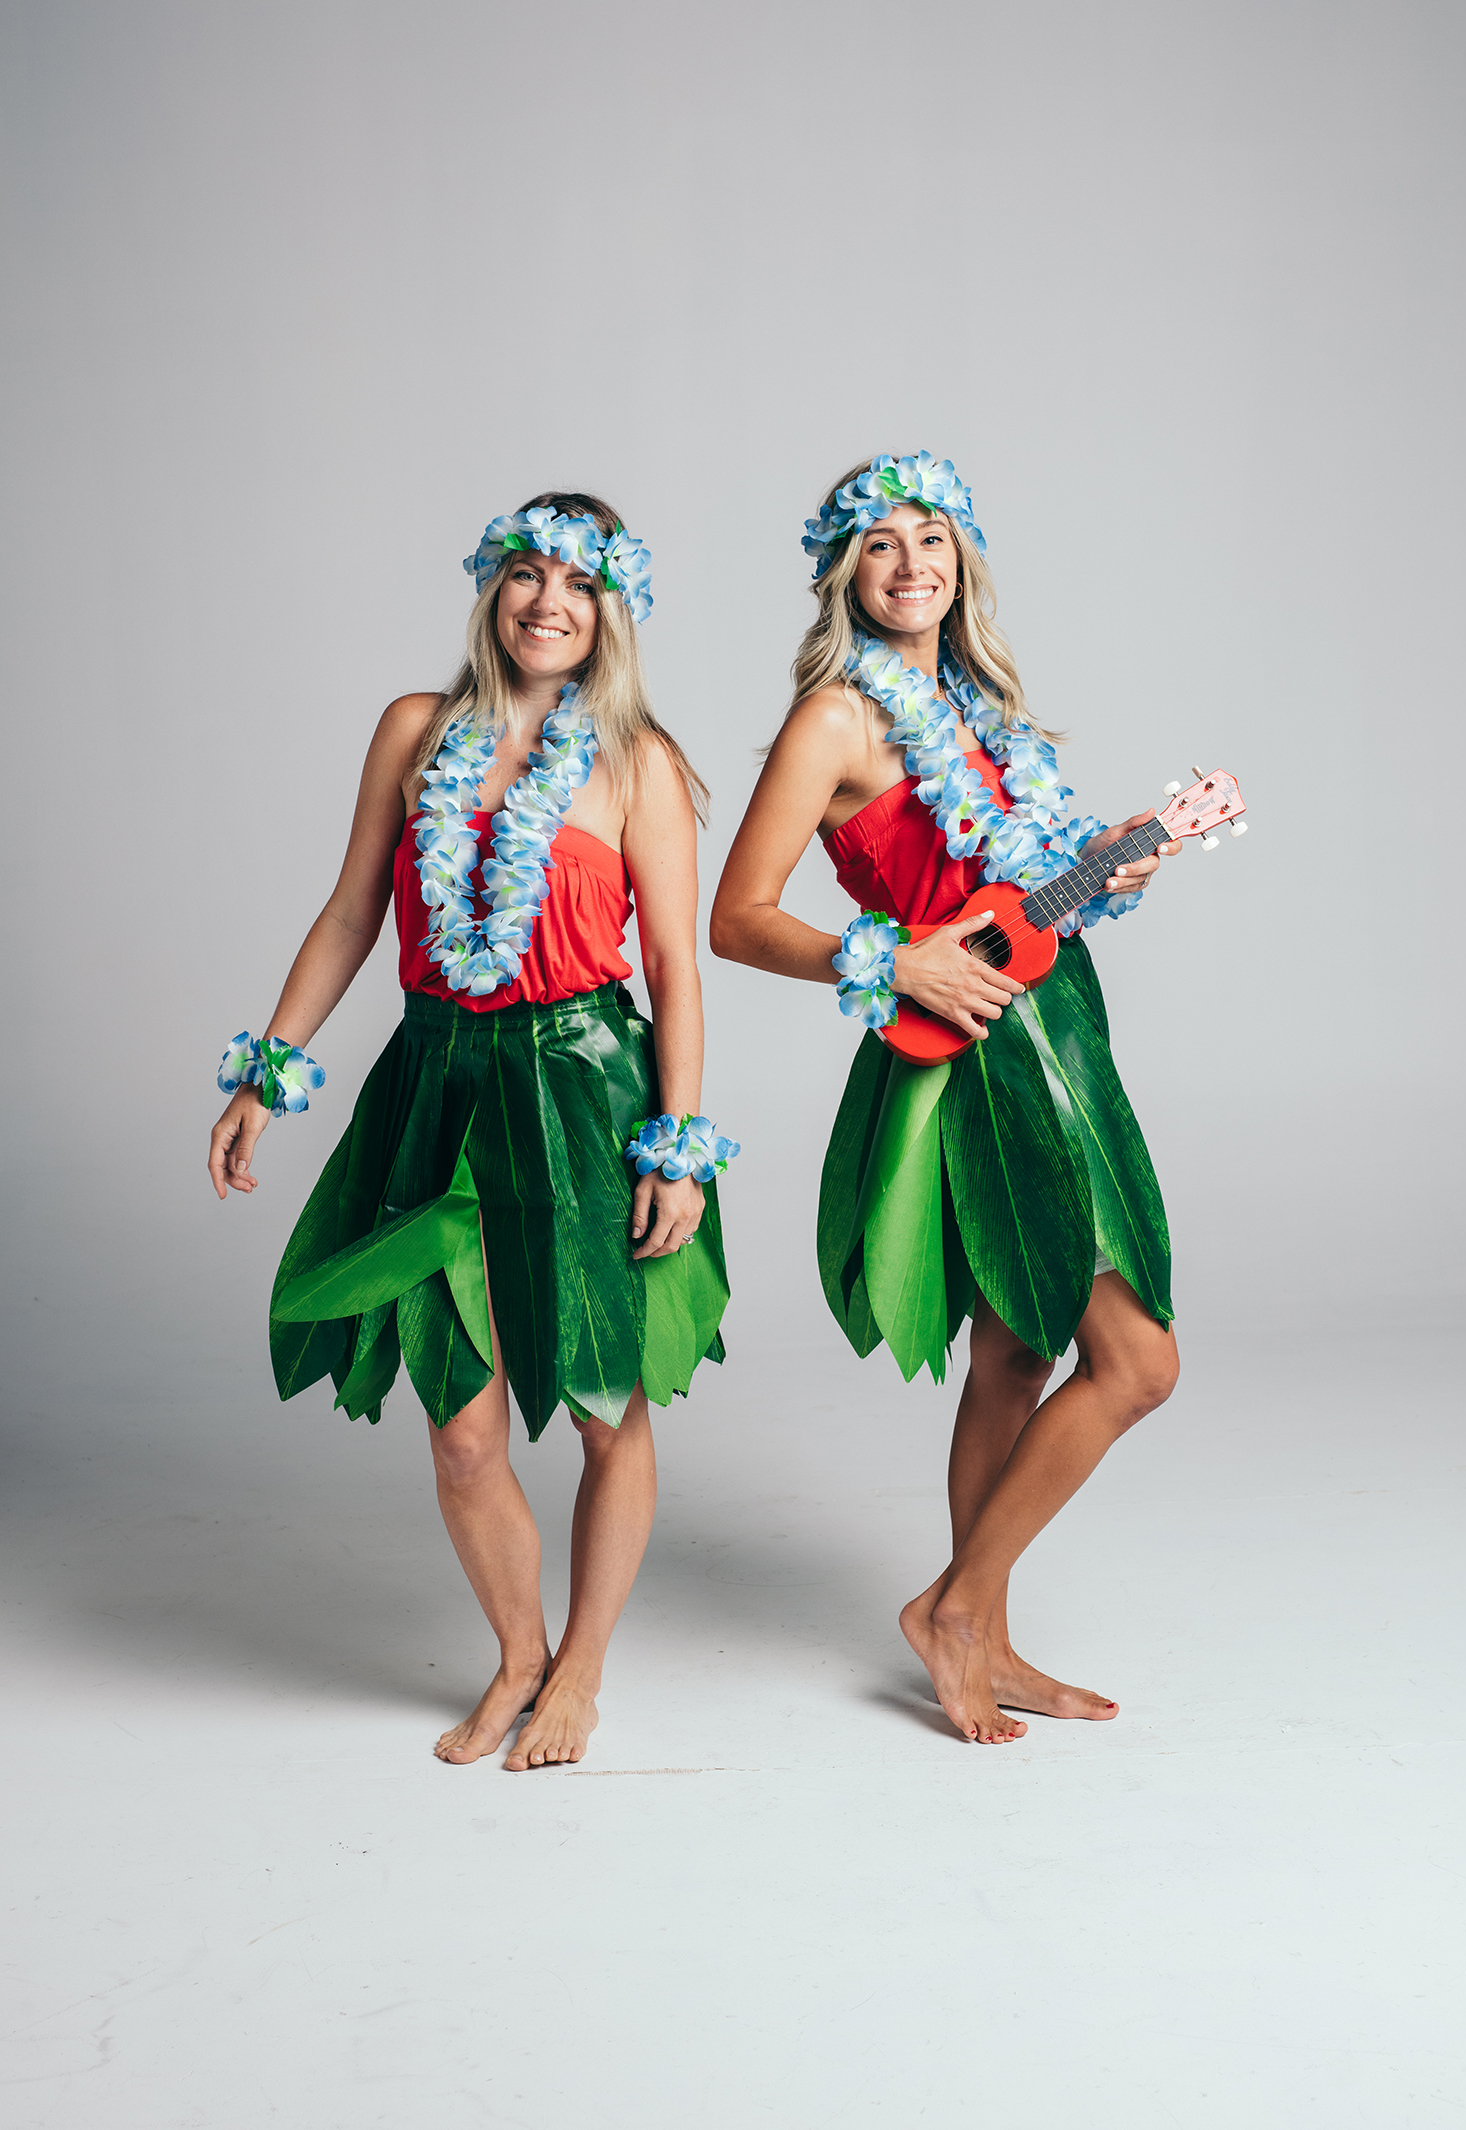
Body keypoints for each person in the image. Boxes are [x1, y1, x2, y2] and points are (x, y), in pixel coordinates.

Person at [208, 493, 737, 1770]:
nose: (547, 602)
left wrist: (678, 1141)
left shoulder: (637, 761)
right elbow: (349, 916)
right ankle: (519, 1655)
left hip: (585, 1090)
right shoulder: (414, 731)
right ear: (491, 591)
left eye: (578, 584)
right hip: (436, 1082)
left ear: (615, 611)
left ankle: (584, 1674)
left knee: (608, 1399)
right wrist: (267, 1071)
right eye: (525, 575)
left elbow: (674, 965)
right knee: (460, 1422)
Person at [711, 453, 1179, 1746]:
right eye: (878, 544)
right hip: (965, 1061)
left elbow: (1008, 898)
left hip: (1059, 1041)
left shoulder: (984, 713)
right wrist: (885, 955)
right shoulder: (833, 720)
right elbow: (735, 917)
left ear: (962, 557)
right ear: (842, 574)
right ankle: (957, 1610)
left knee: (1018, 1350)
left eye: (931, 537)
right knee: (1137, 1363)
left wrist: (1109, 867)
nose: (910, 563)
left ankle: (987, 1628)